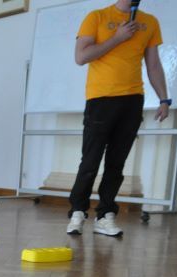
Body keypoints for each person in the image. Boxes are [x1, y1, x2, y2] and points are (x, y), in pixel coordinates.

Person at [66, 0, 169, 237]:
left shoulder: (150, 22)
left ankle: (105, 215)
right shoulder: (97, 17)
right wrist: (117, 38)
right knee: (90, 161)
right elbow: (81, 57)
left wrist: (164, 99)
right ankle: (78, 211)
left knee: (116, 163)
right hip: (100, 99)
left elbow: (154, 65)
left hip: (132, 100)